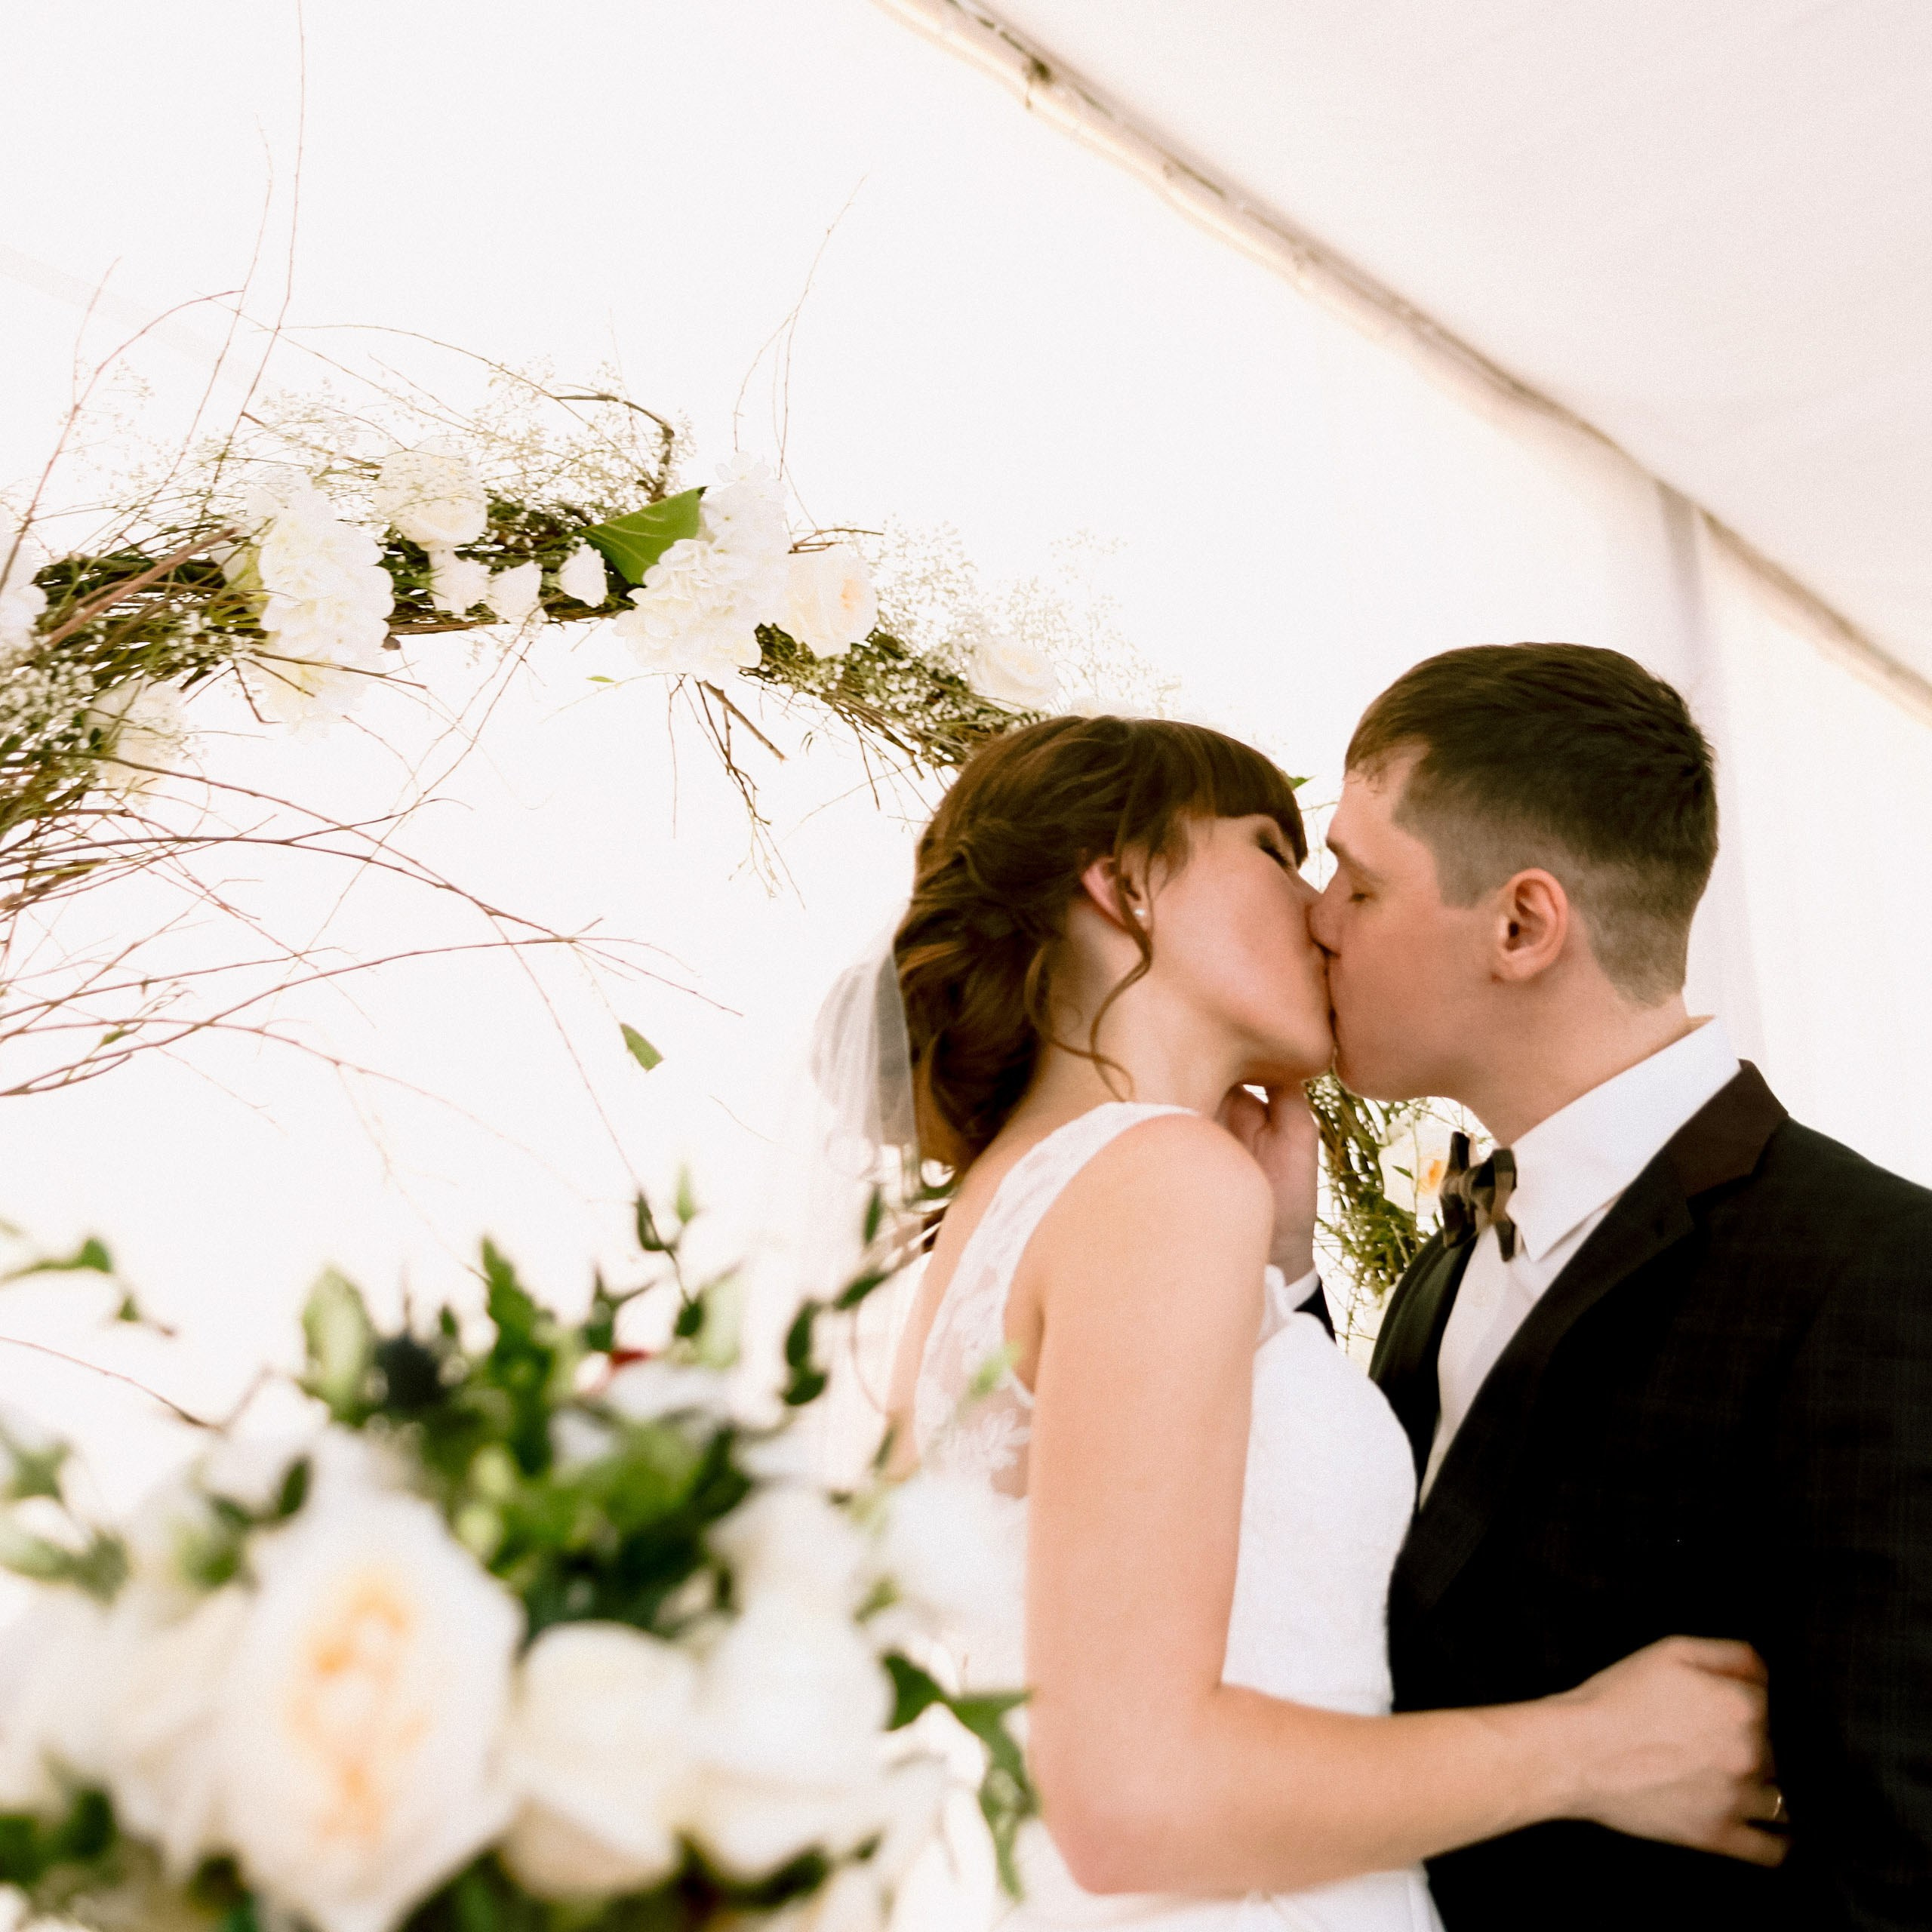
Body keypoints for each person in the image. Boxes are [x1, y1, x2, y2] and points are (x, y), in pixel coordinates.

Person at [878, 713, 1783, 1932]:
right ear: (1123, 880)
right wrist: (1595, 1749)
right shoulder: (1157, 1182)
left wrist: (1284, 1284)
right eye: (1272, 849)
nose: (1321, 912)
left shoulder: (1010, 1209)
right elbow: (1135, 1796)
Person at [1318, 643, 1932, 1929]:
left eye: (1359, 884)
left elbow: (1898, 1862)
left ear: (1524, 925)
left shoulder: (1874, 1272)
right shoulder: (1453, 1252)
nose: (1316, 919)